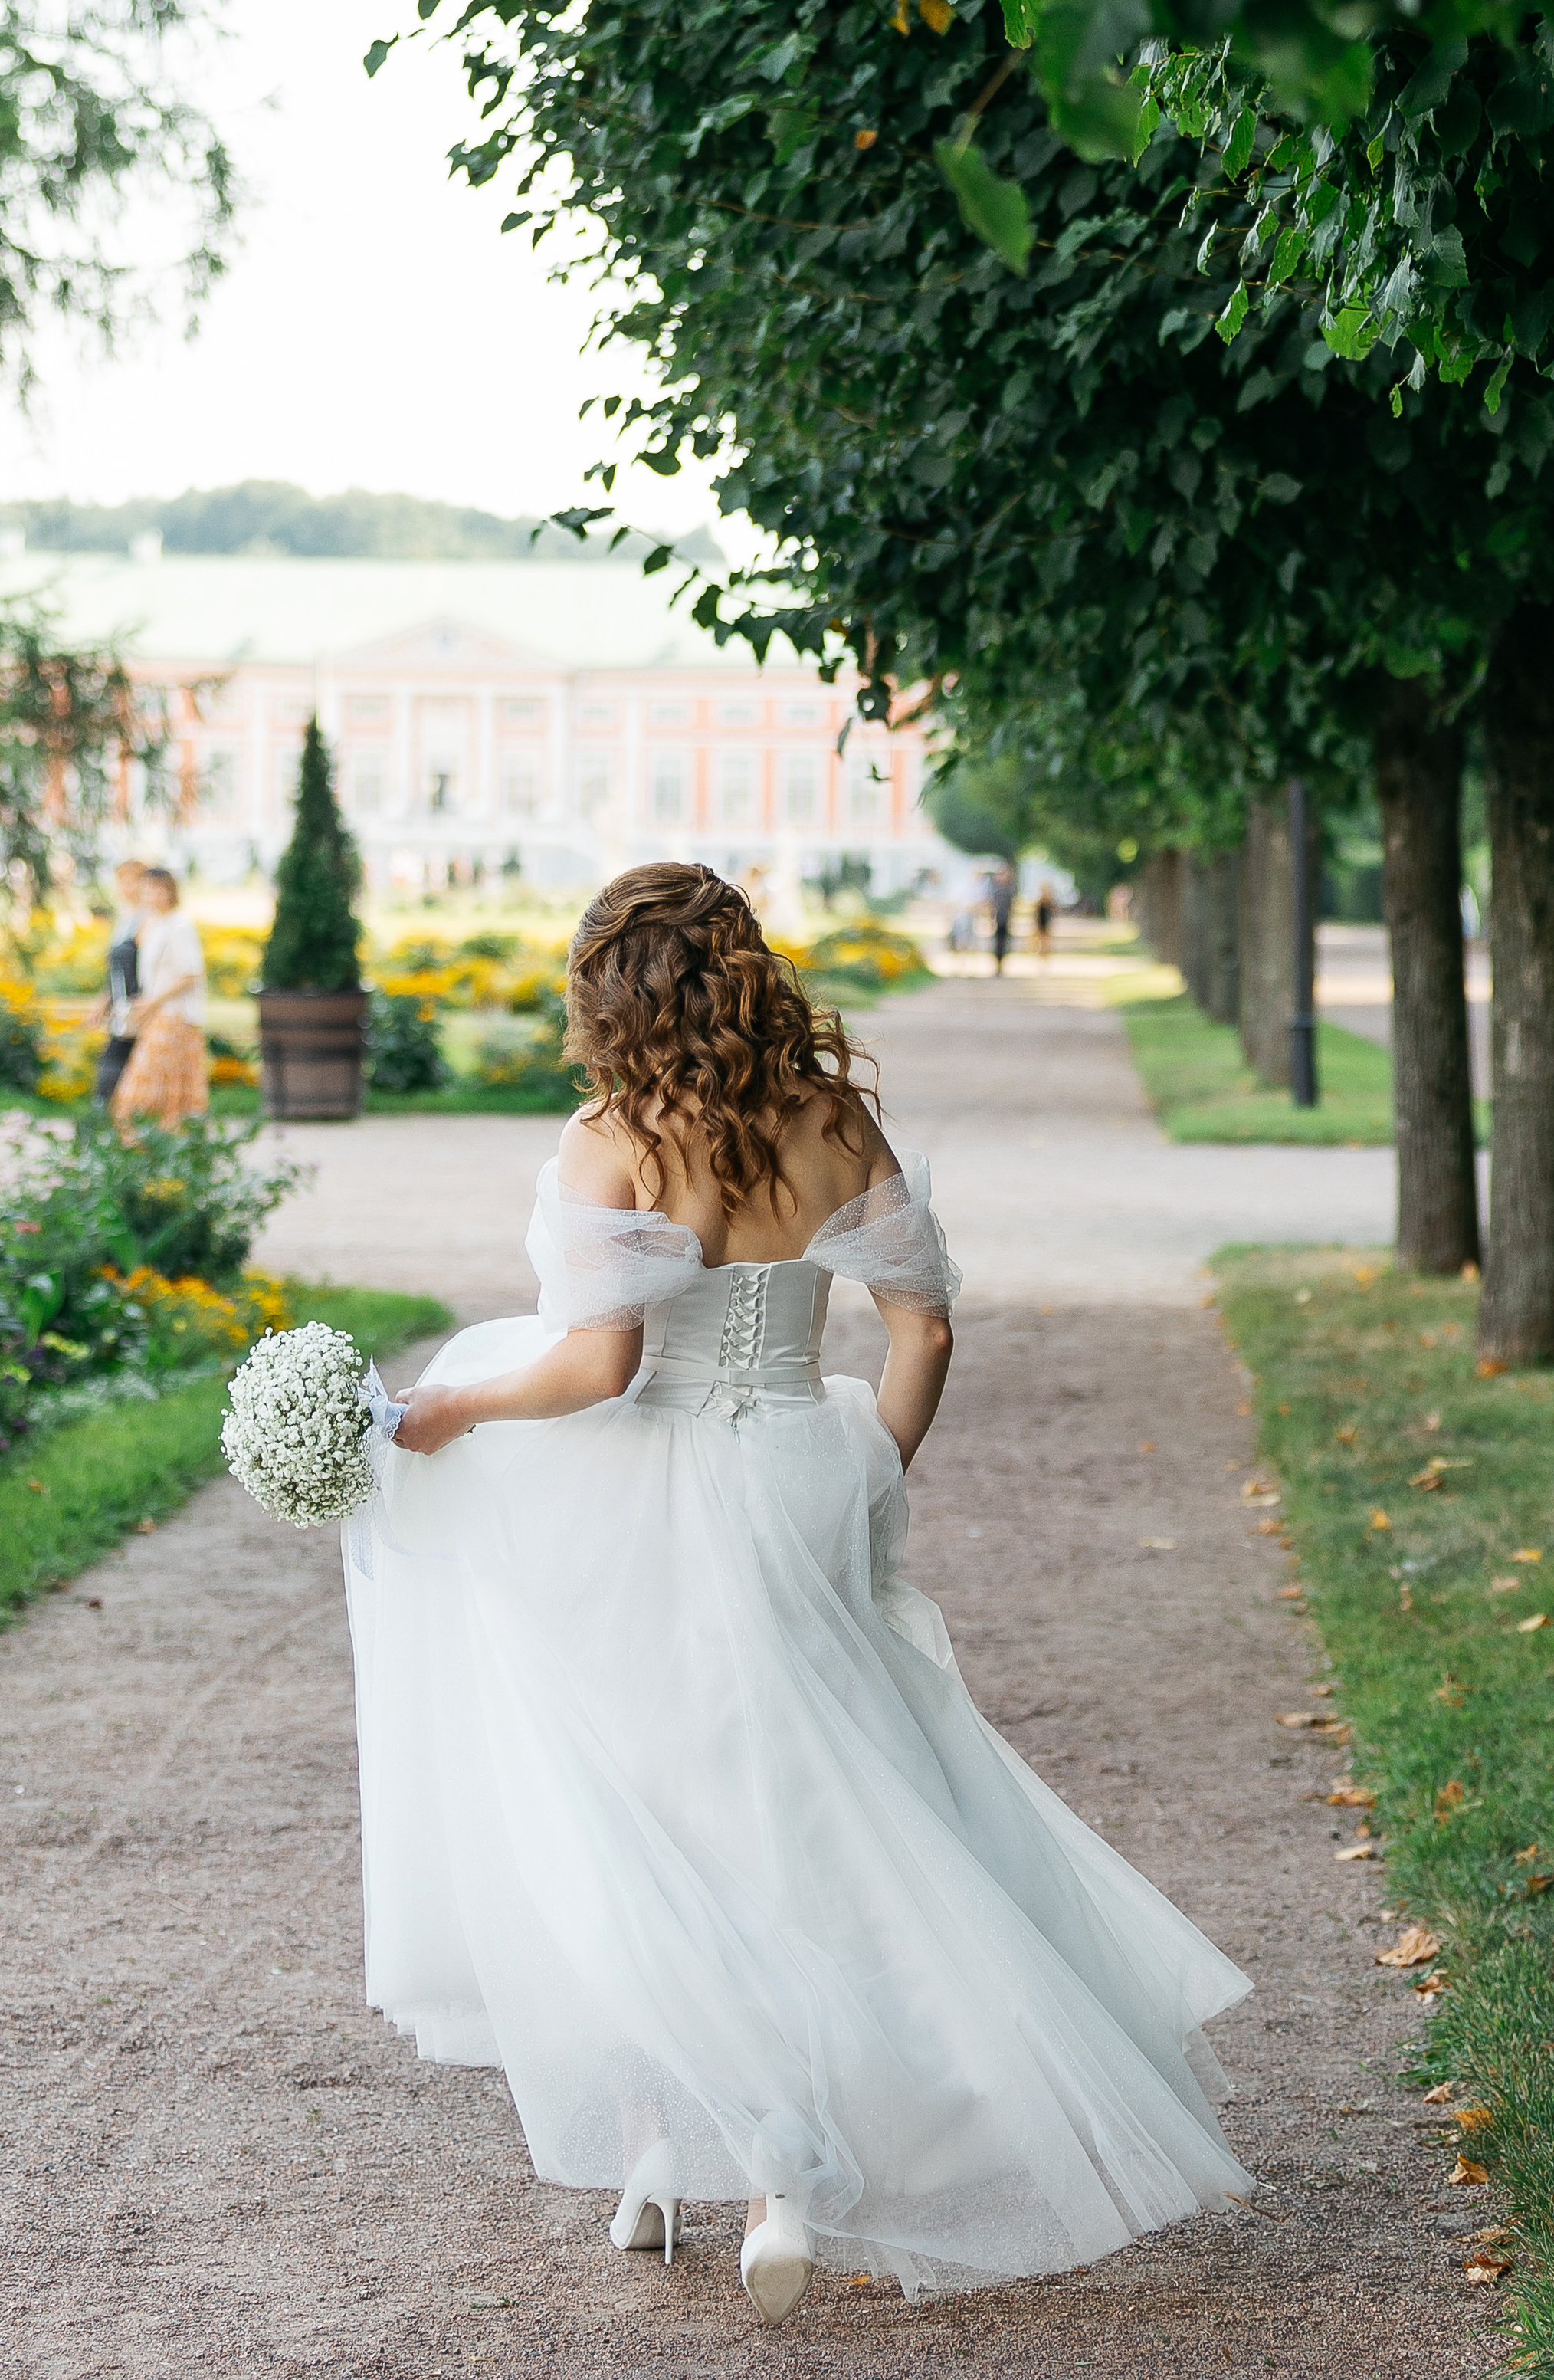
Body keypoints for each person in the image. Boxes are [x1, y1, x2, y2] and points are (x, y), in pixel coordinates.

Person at [354, 865, 1251, 2329]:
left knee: (640, 1816)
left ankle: (670, 2160)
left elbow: (600, 1370)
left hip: (637, 1506)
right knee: (796, 1815)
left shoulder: (610, 1143)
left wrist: (447, 1414)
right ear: (744, 971)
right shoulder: (835, 1122)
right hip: (791, 1473)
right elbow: (927, 1327)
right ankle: (767, 2183)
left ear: (607, 996)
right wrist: (868, 1467)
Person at [110, 867, 209, 1131]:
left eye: (158, 889)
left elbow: (190, 974)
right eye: (148, 889)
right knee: (164, 1086)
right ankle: (158, 1144)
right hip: (158, 1013)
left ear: (171, 892)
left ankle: (146, 1141)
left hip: (174, 1014)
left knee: (149, 1084)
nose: (152, 895)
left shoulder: (179, 925)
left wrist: (153, 1002)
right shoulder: (155, 924)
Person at [88, 858, 149, 1105]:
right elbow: (116, 970)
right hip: (121, 1006)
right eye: (121, 881)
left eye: (132, 880)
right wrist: (102, 1004)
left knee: (116, 1067)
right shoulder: (124, 919)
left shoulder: (148, 920)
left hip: (139, 1005)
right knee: (114, 1068)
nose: (126, 887)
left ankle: (103, 1122)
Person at [1034, 885, 1056, 967]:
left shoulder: (1049, 903)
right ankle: (1041, 959)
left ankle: (1045, 959)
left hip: (1047, 925)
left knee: (1046, 944)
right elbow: (1036, 915)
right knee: (1040, 943)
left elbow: (1053, 914)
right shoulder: (1039, 903)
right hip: (1040, 925)